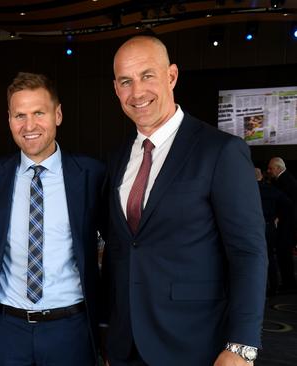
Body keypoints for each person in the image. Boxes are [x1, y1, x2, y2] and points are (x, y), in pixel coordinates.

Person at [104, 35, 267, 365]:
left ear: (172, 76)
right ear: (116, 88)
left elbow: (248, 252)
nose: (137, 92)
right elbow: (122, 249)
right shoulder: (118, 158)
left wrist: (241, 346)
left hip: (196, 344)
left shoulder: (220, 151)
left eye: (147, 76)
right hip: (126, 345)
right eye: (126, 81)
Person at [0, 72, 105, 365]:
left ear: (57, 114)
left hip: (70, 329)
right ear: (9, 119)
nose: (29, 125)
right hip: (7, 330)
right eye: (19, 115)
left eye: (39, 113)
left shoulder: (91, 174)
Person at [255, 167, 290, 295]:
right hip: (269, 226)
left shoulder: (248, 191)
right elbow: (287, 204)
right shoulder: (271, 190)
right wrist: (277, 216)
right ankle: (274, 286)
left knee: (254, 257)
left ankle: (259, 287)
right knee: (270, 256)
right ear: (261, 177)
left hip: (253, 228)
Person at [266, 157, 297, 290]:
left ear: (278, 168)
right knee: (284, 254)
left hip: (287, 224)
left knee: (284, 254)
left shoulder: (284, 181)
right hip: (288, 223)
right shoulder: (286, 180)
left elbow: (288, 204)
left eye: (271, 168)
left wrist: (278, 217)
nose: (269, 171)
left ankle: (289, 284)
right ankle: (288, 282)